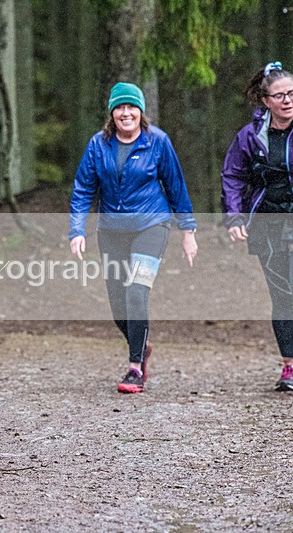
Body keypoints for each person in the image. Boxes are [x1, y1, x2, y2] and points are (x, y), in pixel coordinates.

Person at [69, 82, 198, 394]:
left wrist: (188, 231)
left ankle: (135, 368)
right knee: (117, 304)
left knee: (136, 293)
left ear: (141, 111)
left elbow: (176, 186)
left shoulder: (159, 142)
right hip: (111, 231)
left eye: (131, 107)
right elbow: (83, 189)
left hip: (151, 226)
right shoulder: (98, 145)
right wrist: (77, 230)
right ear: (112, 113)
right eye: (120, 108)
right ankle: (141, 343)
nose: (126, 113)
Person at [221, 61, 293, 391]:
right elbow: (232, 175)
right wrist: (234, 216)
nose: (288, 100)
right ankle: (289, 366)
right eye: (280, 95)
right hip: (267, 219)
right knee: (282, 294)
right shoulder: (249, 136)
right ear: (266, 100)